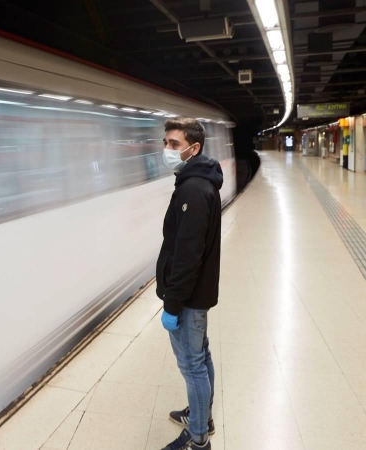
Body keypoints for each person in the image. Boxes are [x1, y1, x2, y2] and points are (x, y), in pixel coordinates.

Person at [156, 117, 222, 450]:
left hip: (188, 297)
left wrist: (172, 304)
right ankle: (202, 417)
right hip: (198, 293)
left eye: (174, 144)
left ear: (193, 149)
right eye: (165, 142)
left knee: (192, 365)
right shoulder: (197, 182)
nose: (167, 149)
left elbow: (187, 255)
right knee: (202, 355)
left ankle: (197, 439)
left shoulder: (194, 190)